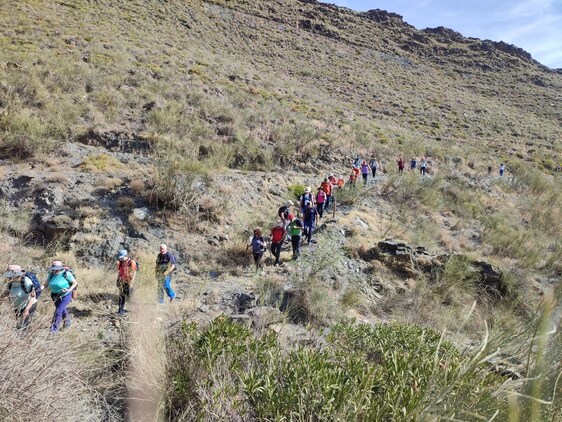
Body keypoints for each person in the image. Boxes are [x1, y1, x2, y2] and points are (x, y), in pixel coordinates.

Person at [1, 265, 38, 330]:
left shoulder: (26, 281)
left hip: (29, 305)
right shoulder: (10, 283)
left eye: (10, 275)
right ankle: (28, 335)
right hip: (17, 307)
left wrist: (26, 310)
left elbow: (33, 297)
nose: (9, 277)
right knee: (21, 324)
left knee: (21, 326)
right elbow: (6, 293)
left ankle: (23, 337)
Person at [45, 260, 77, 333]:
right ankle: (67, 323)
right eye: (54, 269)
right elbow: (45, 285)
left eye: (57, 269)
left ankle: (53, 330)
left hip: (65, 295)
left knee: (58, 312)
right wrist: (39, 288)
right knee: (62, 310)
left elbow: (75, 283)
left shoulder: (66, 274)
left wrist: (69, 290)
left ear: (60, 268)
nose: (55, 271)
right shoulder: (51, 275)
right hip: (54, 295)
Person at [116, 249, 138, 315]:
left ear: (125, 256)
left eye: (122, 258)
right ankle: (120, 311)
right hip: (122, 281)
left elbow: (134, 273)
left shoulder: (131, 262)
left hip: (129, 282)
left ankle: (136, 311)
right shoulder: (121, 262)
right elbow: (119, 272)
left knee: (130, 297)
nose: (121, 259)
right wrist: (118, 280)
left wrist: (132, 283)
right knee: (121, 297)